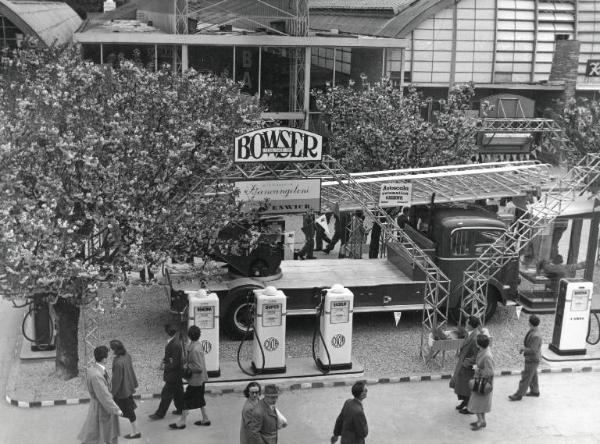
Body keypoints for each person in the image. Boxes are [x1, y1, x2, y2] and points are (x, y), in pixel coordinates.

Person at [78, 345, 122, 444]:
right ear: (104, 359)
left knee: (101, 435)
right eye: (108, 356)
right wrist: (116, 410)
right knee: (100, 436)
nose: (109, 358)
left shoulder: (96, 369)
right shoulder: (96, 375)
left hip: (102, 407)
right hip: (102, 409)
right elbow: (104, 395)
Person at [169, 325, 211, 430]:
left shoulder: (195, 349)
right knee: (200, 399)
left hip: (195, 381)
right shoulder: (196, 345)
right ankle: (205, 419)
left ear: (189, 335)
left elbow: (198, 367)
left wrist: (186, 366)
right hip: (200, 380)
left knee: (185, 400)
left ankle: (182, 422)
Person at [149, 324, 184, 420]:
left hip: (173, 375)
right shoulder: (173, 341)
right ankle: (180, 409)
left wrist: (165, 366)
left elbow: (175, 363)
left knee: (166, 394)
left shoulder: (175, 344)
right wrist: (164, 360)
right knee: (178, 393)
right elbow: (169, 356)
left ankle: (160, 414)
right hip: (177, 375)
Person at [109, 340, 140, 440]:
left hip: (122, 391)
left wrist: (112, 392)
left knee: (125, 410)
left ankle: (136, 432)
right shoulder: (127, 355)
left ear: (114, 349)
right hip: (128, 387)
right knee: (126, 409)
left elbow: (117, 380)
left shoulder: (118, 362)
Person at [451, 316, 481, 414]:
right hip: (463, 362)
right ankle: (465, 401)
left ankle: (470, 406)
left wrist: (466, 363)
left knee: (467, 387)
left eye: (467, 323)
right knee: (461, 384)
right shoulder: (470, 333)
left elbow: (477, 356)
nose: (466, 324)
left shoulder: (476, 337)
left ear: (472, 325)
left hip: (468, 366)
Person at [509, 314, 543, 401]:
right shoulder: (534, 331)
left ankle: (519, 394)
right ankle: (535, 391)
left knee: (526, 377)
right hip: (532, 359)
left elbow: (533, 350)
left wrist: (523, 349)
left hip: (532, 359)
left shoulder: (536, 335)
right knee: (533, 374)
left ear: (530, 323)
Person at [467, 334, 495, 431]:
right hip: (481, 382)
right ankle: (482, 420)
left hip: (483, 383)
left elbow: (489, 372)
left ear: (478, 344)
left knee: (476, 403)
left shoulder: (487, 356)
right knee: (481, 403)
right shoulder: (484, 351)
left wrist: (478, 369)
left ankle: (480, 421)